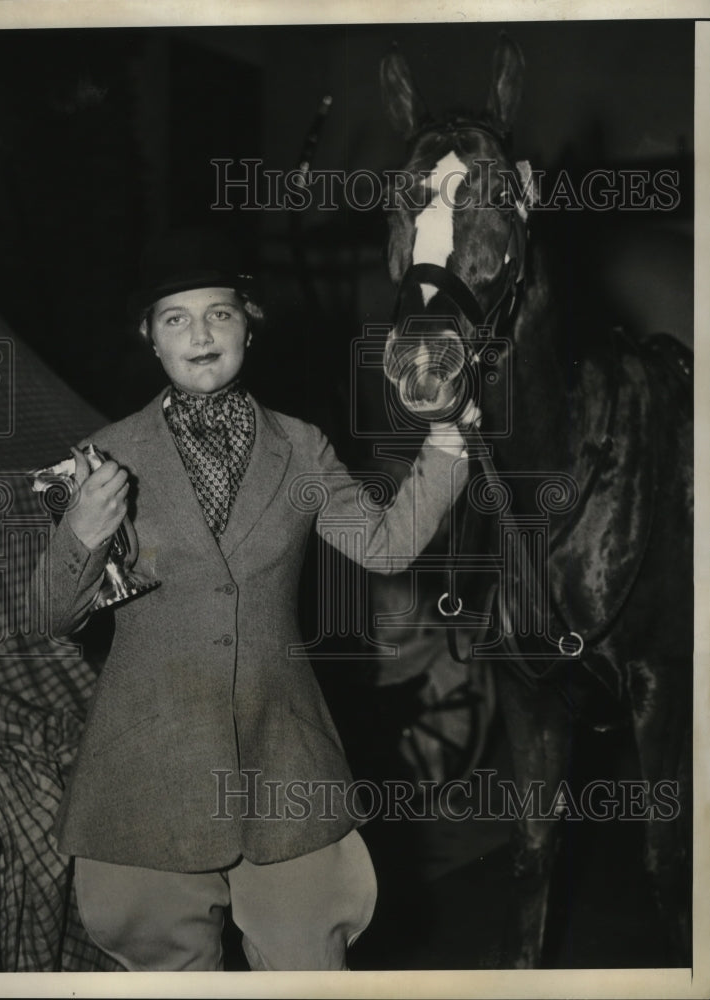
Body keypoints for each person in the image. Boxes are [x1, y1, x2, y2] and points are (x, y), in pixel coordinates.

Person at [41, 228, 478, 972]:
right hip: (147, 765)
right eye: (175, 319)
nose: (200, 334)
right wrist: (80, 532)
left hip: (286, 759)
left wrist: (444, 445)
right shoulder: (102, 454)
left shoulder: (302, 446)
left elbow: (384, 546)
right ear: (150, 339)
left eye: (219, 314)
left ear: (249, 324)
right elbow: (55, 615)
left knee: (308, 968)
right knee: (169, 975)